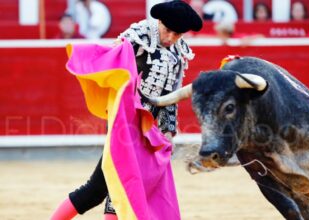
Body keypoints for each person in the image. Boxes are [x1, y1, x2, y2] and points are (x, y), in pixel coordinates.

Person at [50, 1, 203, 219]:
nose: (170, 38)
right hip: (126, 120)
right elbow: (112, 63)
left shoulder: (179, 54)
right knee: (106, 187)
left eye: (177, 34)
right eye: (167, 30)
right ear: (159, 22)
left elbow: (172, 95)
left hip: (151, 129)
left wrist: (168, 129)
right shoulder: (138, 38)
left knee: (119, 187)